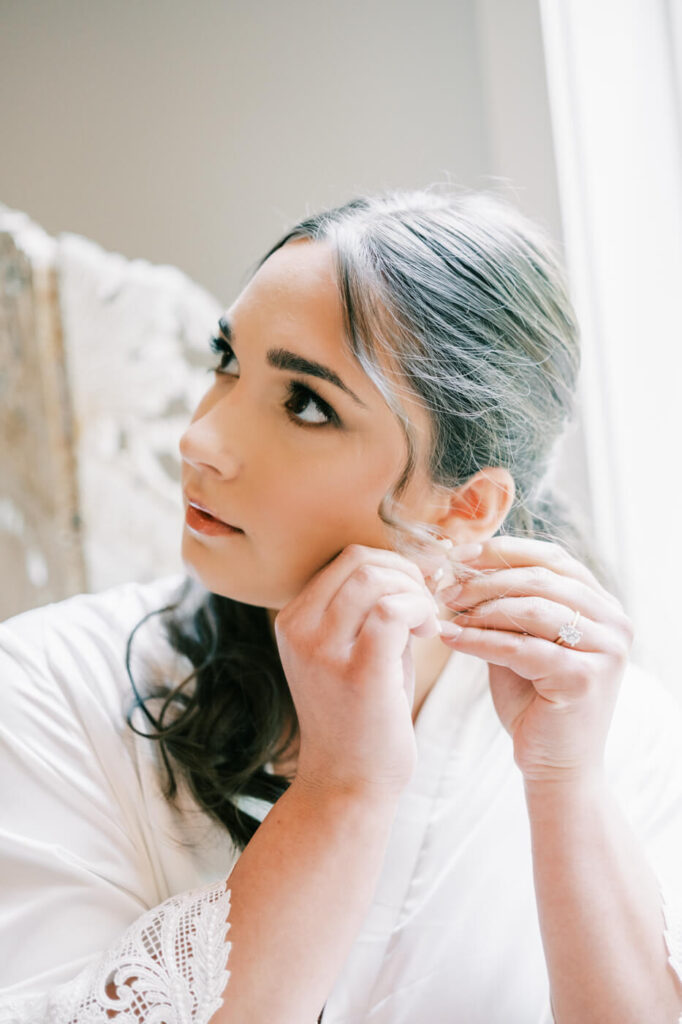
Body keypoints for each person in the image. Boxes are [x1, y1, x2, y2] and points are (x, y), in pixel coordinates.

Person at [1, 187, 682, 1024]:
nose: (199, 440)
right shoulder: (43, 687)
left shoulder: (614, 730)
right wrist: (340, 791)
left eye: (306, 404)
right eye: (227, 361)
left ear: (464, 506)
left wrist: (566, 783)